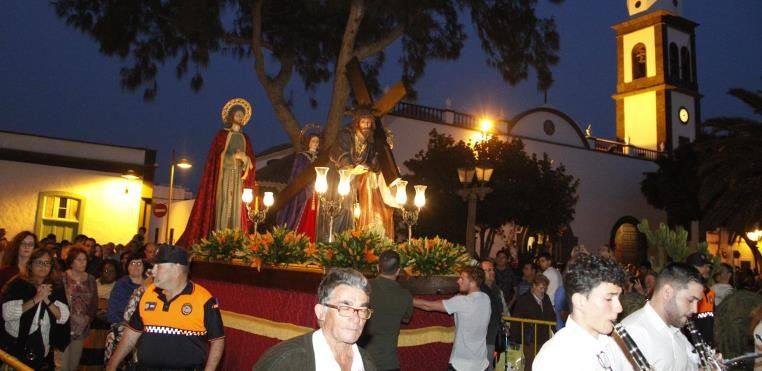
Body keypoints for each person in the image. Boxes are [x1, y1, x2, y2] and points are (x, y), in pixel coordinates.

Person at [106, 245, 224, 370]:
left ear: (176, 268)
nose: (153, 271)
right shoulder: (148, 294)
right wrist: (111, 366)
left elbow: (217, 341)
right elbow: (131, 335)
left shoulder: (203, 299)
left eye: (159, 266)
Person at [254, 268, 376, 370]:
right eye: (345, 307)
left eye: (362, 310)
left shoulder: (366, 363)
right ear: (321, 312)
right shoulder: (286, 361)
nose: (356, 319)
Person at [177, 98, 256, 247]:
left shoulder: (246, 138)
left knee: (236, 206)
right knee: (225, 202)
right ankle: (220, 236)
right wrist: (234, 156)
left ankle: (235, 238)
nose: (240, 117)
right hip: (224, 175)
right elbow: (217, 156)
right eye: (238, 114)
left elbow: (252, 159)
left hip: (239, 178)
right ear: (231, 116)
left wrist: (246, 160)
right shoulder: (221, 135)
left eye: (242, 115)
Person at [533, 255, 632, 371]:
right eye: (609, 298)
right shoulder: (554, 358)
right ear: (580, 301)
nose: (619, 308)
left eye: (619, 298)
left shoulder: (614, 345)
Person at [328, 111, 398, 238]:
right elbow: (341, 154)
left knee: (349, 212)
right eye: (363, 122)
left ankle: (345, 239)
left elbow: (373, 164)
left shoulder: (369, 143)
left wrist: (382, 152)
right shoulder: (346, 134)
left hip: (353, 182)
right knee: (338, 210)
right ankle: (332, 239)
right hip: (338, 178)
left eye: (368, 122)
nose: (366, 125)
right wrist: (352, 167)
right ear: (357, 123)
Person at [621, 263, 704, 370]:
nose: (695, 309)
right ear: (667, 293)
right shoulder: (633, 332)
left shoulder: (676, 328)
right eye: (690, 300)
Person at [1, 248, 70, 370]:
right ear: (31, 264)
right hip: (16, 343)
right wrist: (36, 298)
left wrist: (46, 299)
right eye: (39, 262)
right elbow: (8, 314)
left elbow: (62, 317)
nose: (43, 266)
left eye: (47, 263)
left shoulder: (55, 287)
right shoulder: (18, 284)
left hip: (42, 345)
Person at [413, 266, 491, 371]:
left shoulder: (462, 301)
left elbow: (428, 306)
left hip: (461, 364)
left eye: (462, 278)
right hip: (481, 363)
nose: (458, 281)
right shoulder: (486, 299)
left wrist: (406, 299)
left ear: (472, 282)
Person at [356, 250, 412, 371]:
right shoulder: (405, 296)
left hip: (361, 361)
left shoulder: (363, 287)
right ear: (398, 271)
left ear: (377, 267)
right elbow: (406, 318)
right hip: (389, 363)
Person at [59, 247, 99, 371]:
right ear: (71, 261)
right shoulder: (63, 277)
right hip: (65, 325)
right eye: (79, 259)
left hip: (81, 327)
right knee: (62, 364)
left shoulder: (91, 279)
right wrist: (72, 316)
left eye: (85, 260)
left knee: (74, 363)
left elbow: (94, 302)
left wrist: (86, 318)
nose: (83, 262)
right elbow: (59, 301)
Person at [277, 132, 321, 241]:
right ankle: (298, 238)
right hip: (303, 189)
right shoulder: (301, 157)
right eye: (313, 141)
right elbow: (296, 173)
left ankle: (313, 238)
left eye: (317, 141)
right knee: (301, 211)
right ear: (308, 143)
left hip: (318, 189)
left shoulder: (321, 158)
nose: (315, 143)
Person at [511, 274, 555, 370]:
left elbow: (551, 316)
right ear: (534, 286)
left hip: (544, 339)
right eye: (541, 288)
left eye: (545, 288)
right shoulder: (523, 300)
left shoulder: (546, 298)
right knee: (529, 364)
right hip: (529, 340)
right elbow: (516, 321)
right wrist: (515, 340)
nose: (543, 291)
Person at [480, 259, 507, 366]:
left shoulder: (496, 290)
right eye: (488, 270)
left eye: (493, 269)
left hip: (496, 335)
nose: (492, 272)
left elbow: (501, 311)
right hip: (485, 337)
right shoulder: (479, 291)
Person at [686, 252, 715, 346]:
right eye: (702, 266)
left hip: (708, 347)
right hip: (691, 347)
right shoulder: (685, 293)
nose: (707, 269)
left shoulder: (710, 292)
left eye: (708, 266)